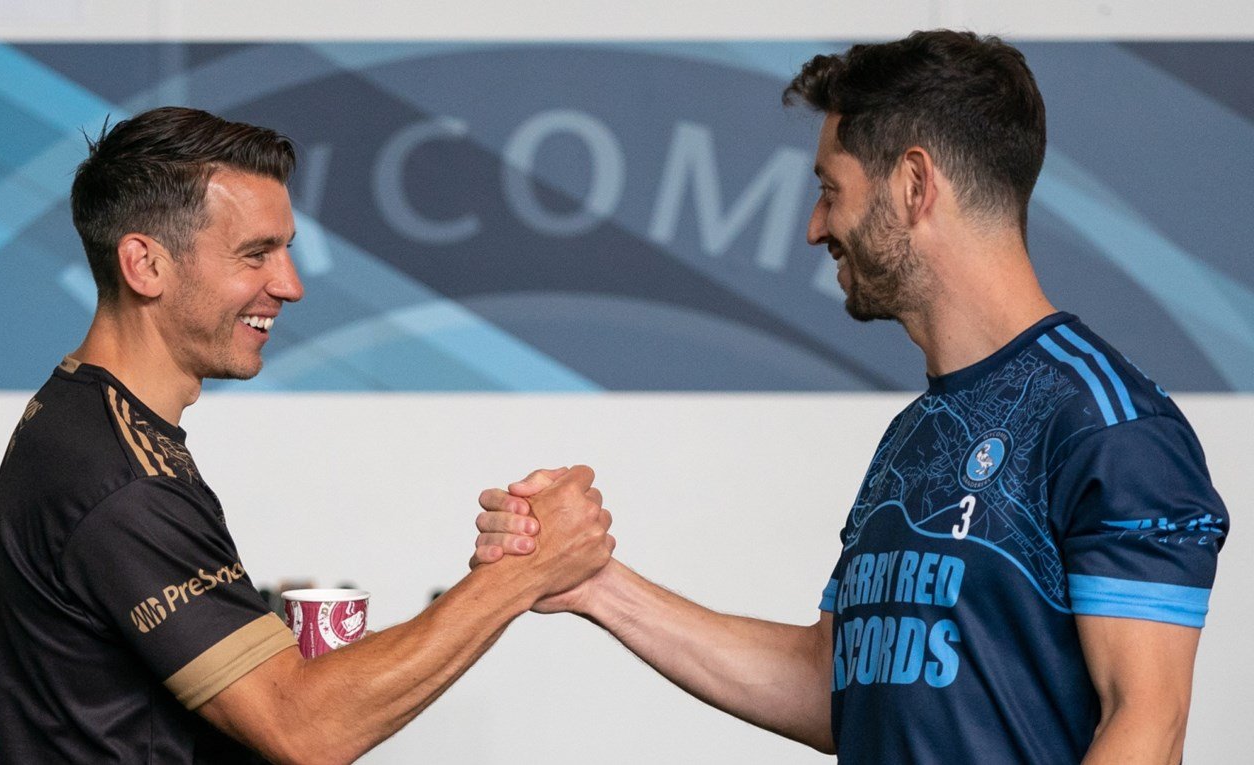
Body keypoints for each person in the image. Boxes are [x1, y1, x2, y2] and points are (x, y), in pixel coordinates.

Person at [473, 30, 1229, 763]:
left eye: (830, 191)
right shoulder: (917, 433)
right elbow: (825, 684)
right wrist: (597, 585)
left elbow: (1148, 728)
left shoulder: (1107, 424)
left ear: (914, 184)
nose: (815, 227)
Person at [0, 106, 615, 764]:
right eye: (256, 254)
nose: (290, 284)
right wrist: (522, 570)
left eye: (286, 250)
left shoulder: (87, 424)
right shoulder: (123, 481)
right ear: (145, 265)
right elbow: (304, 728)